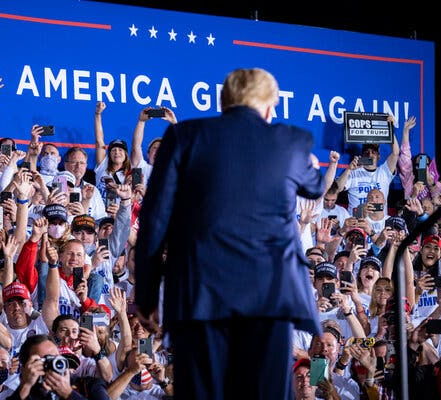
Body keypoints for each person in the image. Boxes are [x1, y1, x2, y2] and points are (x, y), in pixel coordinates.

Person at [134, 67, 326, 400]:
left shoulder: (184, 136)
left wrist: (147, 297)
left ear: (224, 103)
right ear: (270, 107)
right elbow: (314, 187)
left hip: (200, 297)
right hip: (270, 299)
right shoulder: (291, 140)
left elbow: (154, 220)